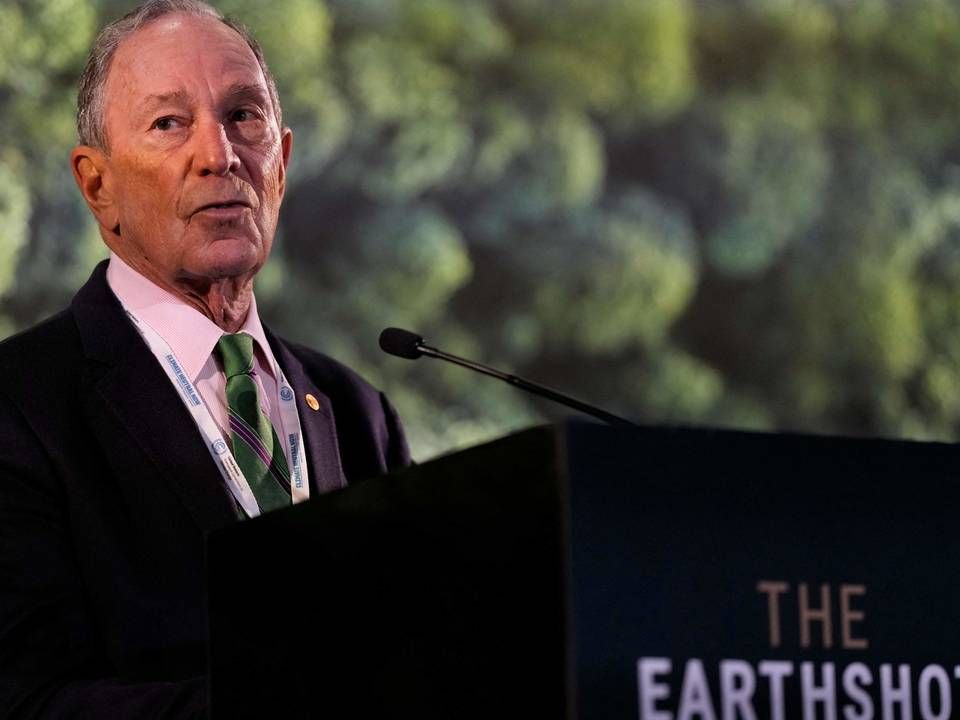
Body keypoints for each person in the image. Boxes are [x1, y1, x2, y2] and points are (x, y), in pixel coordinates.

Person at [0, 1, 410, 717]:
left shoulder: (357, 413)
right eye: (168, 123)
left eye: (243, 116)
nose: (218, 154)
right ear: (98, 186)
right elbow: (27, 701)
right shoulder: (19, 407)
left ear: (280, 164)